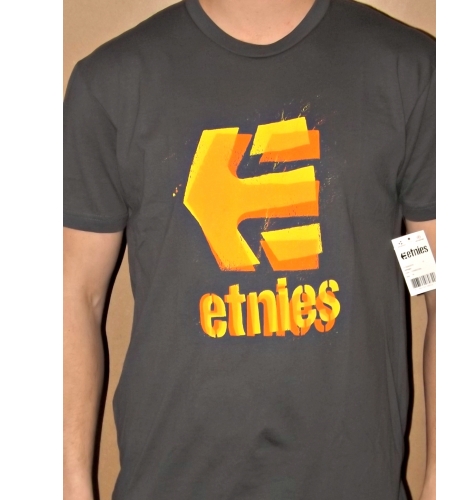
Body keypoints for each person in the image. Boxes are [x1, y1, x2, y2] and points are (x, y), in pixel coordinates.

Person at [63, 0, 436, 498]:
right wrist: (66, 484)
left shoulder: (408, 69)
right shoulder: (113, 82)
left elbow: (441, 285)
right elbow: (74, 296)